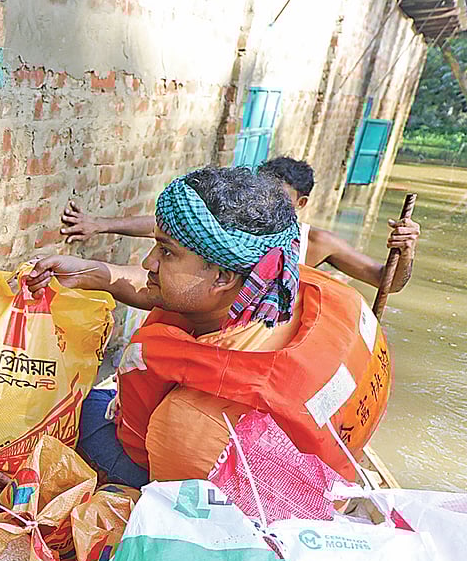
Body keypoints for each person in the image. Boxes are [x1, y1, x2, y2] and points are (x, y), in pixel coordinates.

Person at [27, 166, 393, 486]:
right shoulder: (280, 286)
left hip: (185, 471)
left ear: (221, 277)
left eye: (166, 251)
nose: (148, 261)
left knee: (77, 408)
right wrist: (93, 273)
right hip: (304, 456)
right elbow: (174, 291)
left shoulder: (191, 425)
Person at [58, 156, 419, 297]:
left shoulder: (317, 244)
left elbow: (387, 279)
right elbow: (169, 238)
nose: (260, 202)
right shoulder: (200, 272)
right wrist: (97, 233)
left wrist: (406, 253)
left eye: (275, 198)